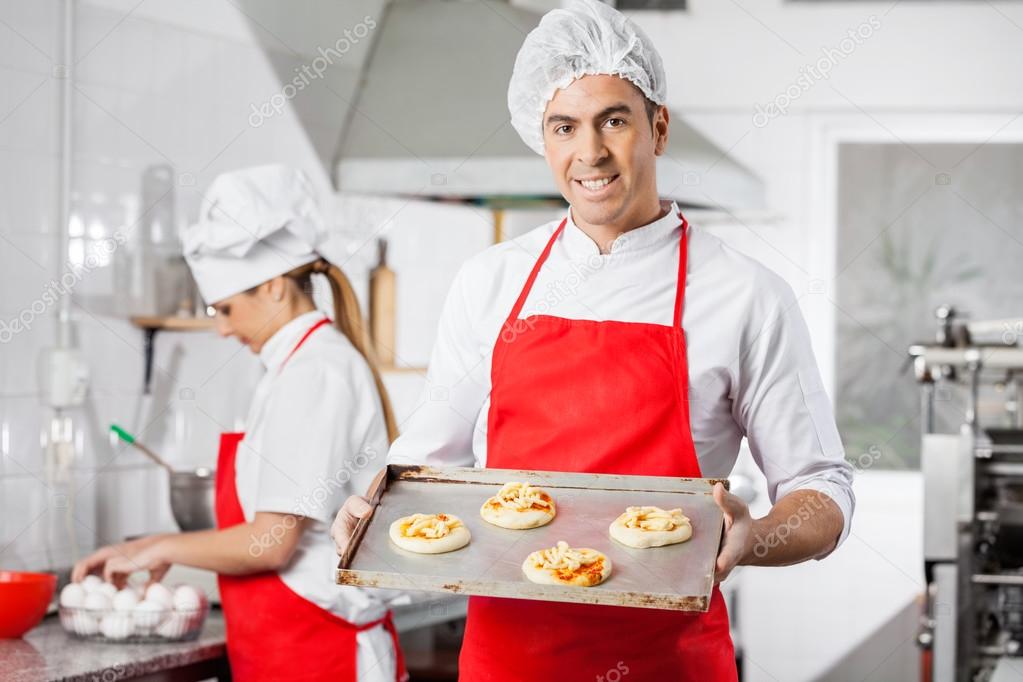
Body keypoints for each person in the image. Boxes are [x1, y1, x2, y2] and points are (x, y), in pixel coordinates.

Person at [333, 1, 855, 679]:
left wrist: (753, 538)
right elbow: (427, 460)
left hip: (667, 661)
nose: (590, 153)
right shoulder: (490, 281)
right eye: (563, 127)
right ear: (540, 138)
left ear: (657, 127)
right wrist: (376, 504)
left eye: (614, 119)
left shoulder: (744, 293)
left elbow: (822, 487)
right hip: (509, 658)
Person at [73, 165, 407, 682]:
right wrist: (147, 548)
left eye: (226, 309)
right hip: (287, 647)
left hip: (324, 654)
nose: (223, 329)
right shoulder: (296, 366)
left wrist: (160, 546)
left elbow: (272, 541)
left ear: (274, 287)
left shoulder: (315, 371)